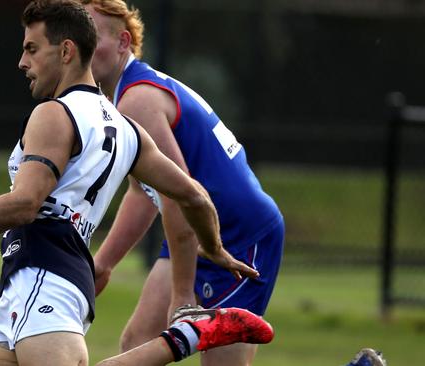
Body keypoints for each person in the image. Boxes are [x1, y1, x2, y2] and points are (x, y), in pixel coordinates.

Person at [0, 1, 273, 365]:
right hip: (28, 282)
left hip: (45, 277)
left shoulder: (54, 114)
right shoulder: (127, 129)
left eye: (32, 49)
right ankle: (186, 337)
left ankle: (184, 339)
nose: (22, 62)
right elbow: (193, 195)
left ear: (67, 51)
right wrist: (213, 247)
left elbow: (25, 204)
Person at [79, 1, 286, 365]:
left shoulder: (136, 100)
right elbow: (144, 192)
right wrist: (104, 263)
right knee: (136, 344)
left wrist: (182, 295)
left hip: (239, 235)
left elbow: (177, 195)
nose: (81, 47)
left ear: (124, 42)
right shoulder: (123, 95)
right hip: (201, 232)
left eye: (92, 37)